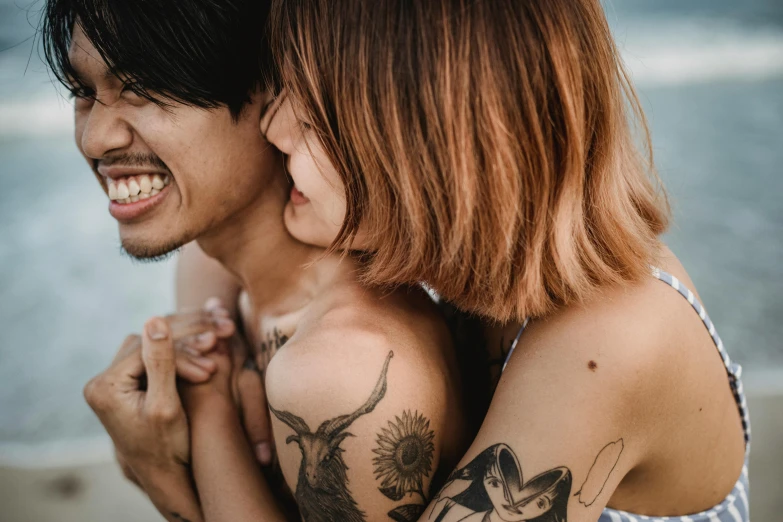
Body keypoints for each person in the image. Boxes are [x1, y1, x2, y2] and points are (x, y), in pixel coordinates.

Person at [257, 0, 752, 521]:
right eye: (280, 86)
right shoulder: (480, 274)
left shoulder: (608, 345)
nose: (273, 127)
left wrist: (207, 431)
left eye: (312, 120)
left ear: (422, 152)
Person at [41, 1, 471, 521]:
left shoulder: (342, 368)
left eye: (142, 88)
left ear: (271, 92)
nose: (95, 139)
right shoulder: (210, 267)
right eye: (83, 93)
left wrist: (189, 429)